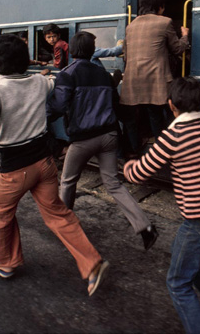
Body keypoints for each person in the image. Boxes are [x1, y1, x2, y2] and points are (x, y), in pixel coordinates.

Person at [0, 34, 109, 294]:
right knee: (58, 215)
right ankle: (92, 264)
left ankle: (5, 262)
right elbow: (54, 80)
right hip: (45, 165)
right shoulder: (39, 82)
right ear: (25, 61)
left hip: (16, 170)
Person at [124, 76, 200, 333]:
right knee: (186, 256)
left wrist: (128, 166)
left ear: (171, 105)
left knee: (178, 282)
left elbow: (139, 174)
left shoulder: (173, 135)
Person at [48, 31, 159, 250]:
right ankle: (145, 226)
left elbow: (58, 107)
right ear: (91, 51)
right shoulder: (103, 75)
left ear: (73, 50)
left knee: (68, 181)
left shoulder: (67, 74)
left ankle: (66, 226)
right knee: (113, 183)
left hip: (83, 139)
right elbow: (117, 106)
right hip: (109, 135)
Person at [120, 0, 190, 157]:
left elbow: (126, 57)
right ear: (160, 6)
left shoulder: (131, 26)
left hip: (133, 80)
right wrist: (185, 35)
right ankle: (162, 150)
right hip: (156, 80)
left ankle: (135, 148)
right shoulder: (165, 22)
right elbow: (177, 49)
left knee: (133, 118)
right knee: (157, 115)